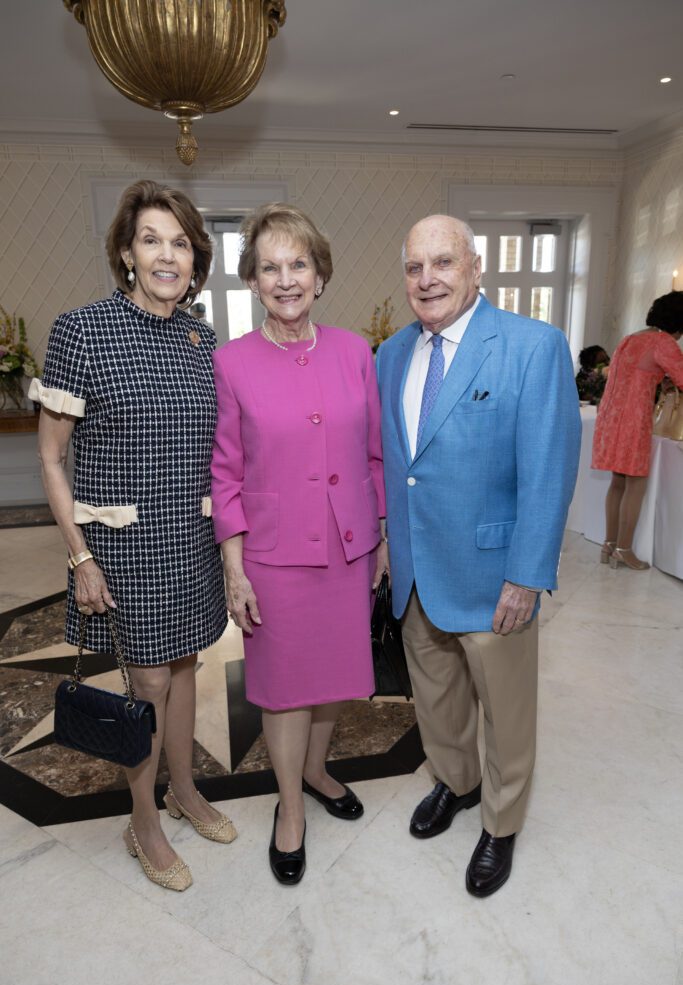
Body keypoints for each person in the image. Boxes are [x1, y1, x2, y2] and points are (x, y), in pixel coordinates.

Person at [31, 180, 235, 893]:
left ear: (196, 257)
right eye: (152, 239)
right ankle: (142, 820)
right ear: (125, 252)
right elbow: (52, 456)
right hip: (121, 547)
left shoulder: (202, 338)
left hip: (189, 541)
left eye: (180, 242)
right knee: (148, 681)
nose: (167, 255)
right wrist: (79, 555)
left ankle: (182, 789)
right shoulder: (81, 329)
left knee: (186, 670)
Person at [376, 214, 580, 897]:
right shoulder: (391, 355)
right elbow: (397, 467)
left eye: (442, 263)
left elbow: (546, 471)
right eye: (413, 267)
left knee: (505, 709)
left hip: (494, 577)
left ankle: (500, 821)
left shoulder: (531, 346)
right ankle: (456, 784)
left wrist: (525, 575)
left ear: (475, 267)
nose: (426, 279)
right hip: (415, 573)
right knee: (435, 700)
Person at [211, 202, 387, 885]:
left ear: (319, 275)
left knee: (335, 676)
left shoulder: (353, 351)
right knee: (284, 690)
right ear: (252, 281)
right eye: (270, 267)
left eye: (298, 264)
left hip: (346, 548)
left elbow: (373, 455)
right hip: (274, 558)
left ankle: (317, 769)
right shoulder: (231, 363)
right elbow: (224, 472)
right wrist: (234, 567)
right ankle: (290, 806)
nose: (286, 279)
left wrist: (378, 537)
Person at [592, 292, 683, 569]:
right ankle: (625, 549)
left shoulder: (631, 338)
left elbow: (635, 376)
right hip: (633, 420)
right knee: (636, 485)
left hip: (610, 417)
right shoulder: (663, 342)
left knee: (617, 483)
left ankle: (609, 545)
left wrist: (661, 381)